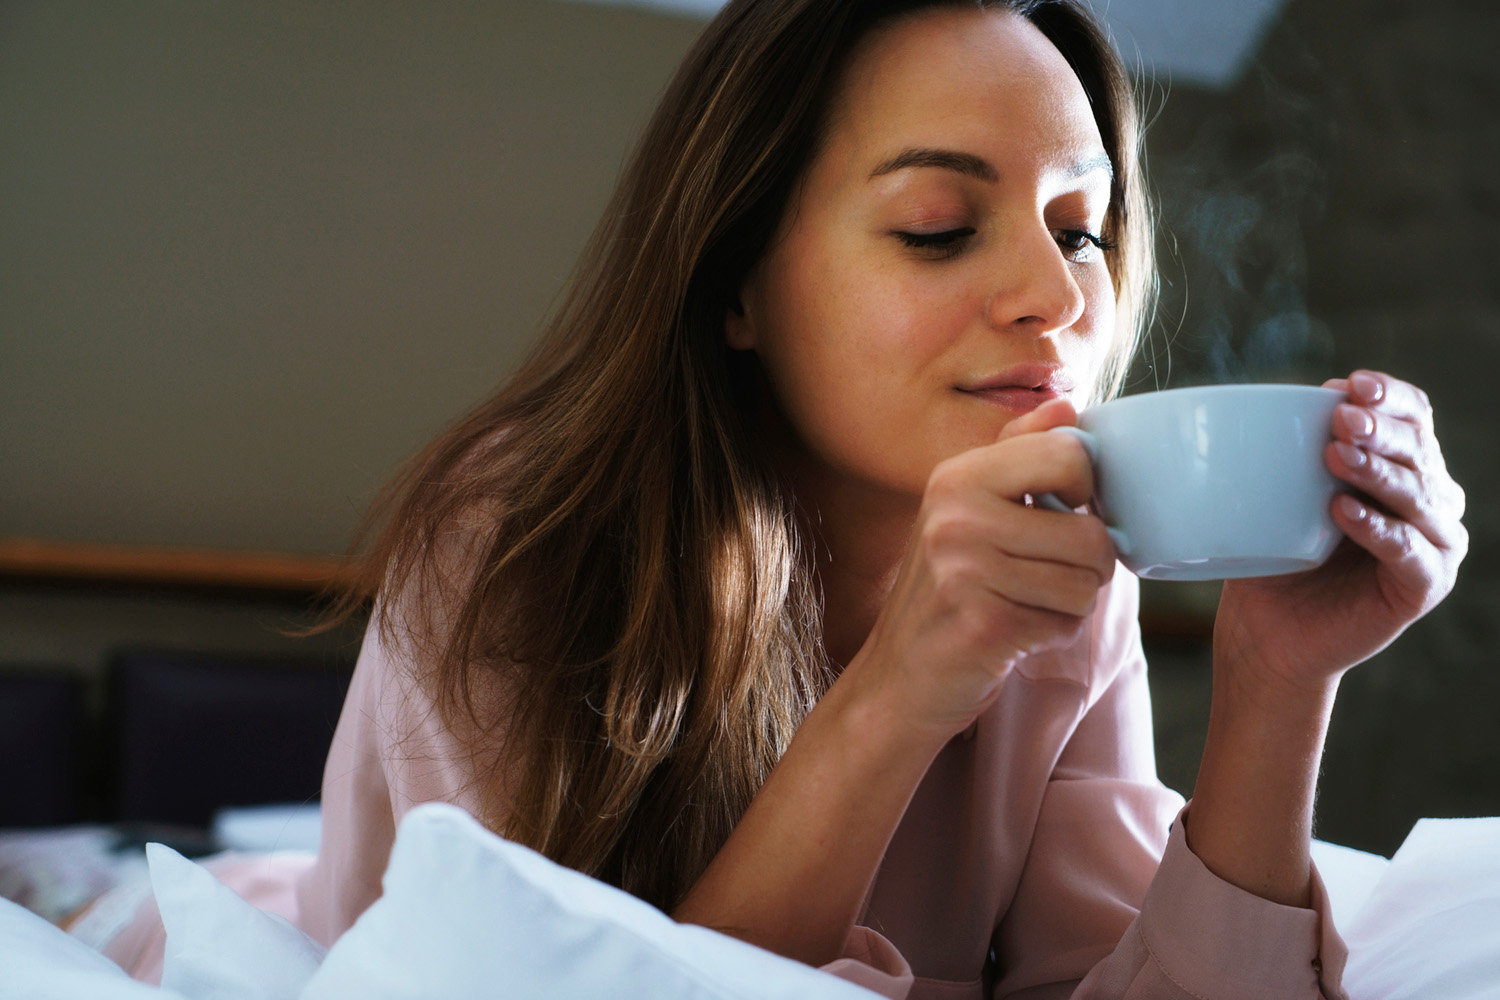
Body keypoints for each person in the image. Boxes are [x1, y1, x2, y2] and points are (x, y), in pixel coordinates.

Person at [96, 0, 1468, 997]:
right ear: (737, 282)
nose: (1058, 298)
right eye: (939, 228)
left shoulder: (1070, 566)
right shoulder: (519, 541)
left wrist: (1276, 680)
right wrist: (902, 687)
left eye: (1083, 231)